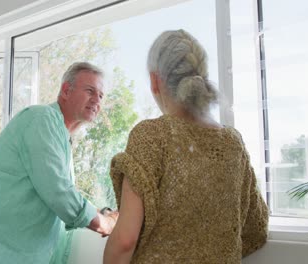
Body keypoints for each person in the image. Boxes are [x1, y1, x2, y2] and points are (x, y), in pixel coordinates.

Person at [103, 30, 269, 263]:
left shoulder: (151, 136)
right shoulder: (233, 143)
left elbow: (124, 241)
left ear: (154, 80)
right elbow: (256, 230)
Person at [0, 62, 118, 264]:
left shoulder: (61, 139)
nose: (96, 100)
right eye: (90, 91)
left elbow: (59, 200)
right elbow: (59, 193)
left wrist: (100, 213)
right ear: (66, 90)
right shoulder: (41, 119)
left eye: (101, 95)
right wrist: (104, 224)